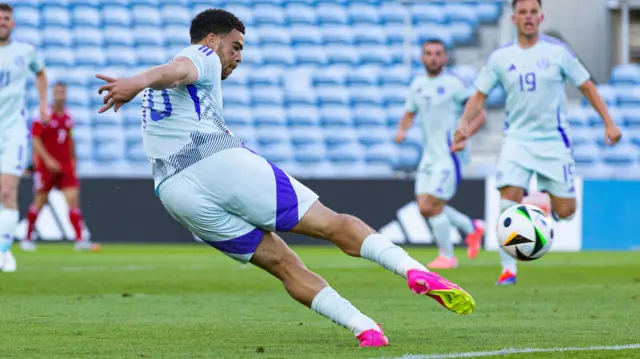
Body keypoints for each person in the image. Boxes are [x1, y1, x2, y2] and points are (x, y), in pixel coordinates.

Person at [95, 9, 475, 347]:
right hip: (216, 162)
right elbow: (174, 70)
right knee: (332, 224)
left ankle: (364, 328)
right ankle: (415, 271)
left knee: (283, 265)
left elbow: (170, 77)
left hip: (175, 193)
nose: (238, 57)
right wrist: (137, 80)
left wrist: (140, 85)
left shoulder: (168, 88)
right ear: (212, 40)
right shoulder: (202, 55)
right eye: (236, 46)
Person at [452, 0, 622, 285]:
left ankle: (545, 204)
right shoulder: (500, 58)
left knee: (567, 212)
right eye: (523, 12)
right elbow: (479, 96)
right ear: (514, 17)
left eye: (533, 12)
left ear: (541, 17)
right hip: (517, 140)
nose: (528, 17)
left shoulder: (557, 52)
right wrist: (463, 126)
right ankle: (509, 270)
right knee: (507, 200)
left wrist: (609, 122)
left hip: (554, 142)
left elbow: (587, 86)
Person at [395, 39, 487, 269]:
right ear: (421, 58)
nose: (433, 58)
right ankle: (472, 228)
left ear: (445, 58)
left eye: (438, 54)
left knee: (429, 206)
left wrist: (465, 135)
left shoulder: (454, 85)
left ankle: (447, 256)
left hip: (448, 156)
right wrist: (402, 129)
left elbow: (480, 114)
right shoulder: (417, 85)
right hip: (428, 157)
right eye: (428, 53)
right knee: (425, 207)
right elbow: (409, 111)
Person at [0, 3, 49, 272]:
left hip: (13, 130)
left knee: (7, 190)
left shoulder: (25, 51)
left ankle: (3, 251)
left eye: (7, 18)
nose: (3, 22)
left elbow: (40, 72)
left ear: (13, 23)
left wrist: (43, 105)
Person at [23, 81, 99, 252]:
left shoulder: (68, 117)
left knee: (73, 201)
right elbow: (35, 139)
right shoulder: (43, 115)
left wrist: (73, 159)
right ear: (52, 94)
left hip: (65, 166)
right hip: (46, 167)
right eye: (57, 92)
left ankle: (80, 240)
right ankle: (27, 237)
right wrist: (47, 160)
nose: (60, 95)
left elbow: (70, 140)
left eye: (63, 92)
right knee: (39, 202)